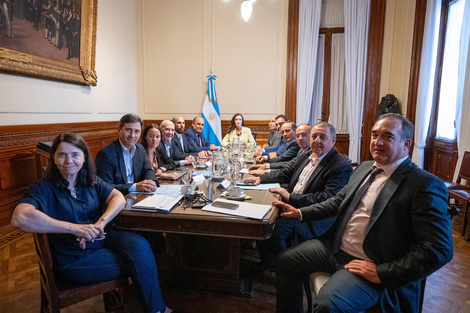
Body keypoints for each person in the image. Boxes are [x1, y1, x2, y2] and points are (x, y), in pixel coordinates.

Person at [275, 113, 453, 313]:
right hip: (335, 249)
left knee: (328, 304)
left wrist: (382, 272)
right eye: (375, 135)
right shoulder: (365, 167)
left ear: (406, 144)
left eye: (388, 136)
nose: (378, 142)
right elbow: (338, 201)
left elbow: (439, 249)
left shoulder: (423, 185)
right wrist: (300, 212)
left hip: (367, 263)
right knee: (285, 261)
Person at [10, 133, 172, 313]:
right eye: (62, 154)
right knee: (139, 261)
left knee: (141, 245)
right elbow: (19, 217)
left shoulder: (89, 180)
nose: (68, 160)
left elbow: (117, 197)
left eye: (75, 154)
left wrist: (101, 223)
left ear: (84, 157)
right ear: (53, 158)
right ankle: (156, 309)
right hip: (74, 257)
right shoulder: (44, 187)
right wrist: (74, 228)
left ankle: (149, 304)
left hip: (99, 238)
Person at [244, 122, 353, 271]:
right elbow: (287, 172)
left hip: (313, 216)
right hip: (293, 204)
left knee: (271, 229)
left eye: (323, 137)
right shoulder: (307, 154)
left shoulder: (339, 166)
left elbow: (326, 198)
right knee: (260, 215)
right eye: (314, 136)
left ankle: (280, 268)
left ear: (333, 141)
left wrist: (290, 197)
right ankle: (267, 261)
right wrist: (261, 179)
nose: (317, 140)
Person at [95, 114, 157, 196]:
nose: (132, 135)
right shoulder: (106, 154)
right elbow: (104, 187)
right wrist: (134, 187)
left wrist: (151, 182)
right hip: (116, 200)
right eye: (128, 130)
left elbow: (148, 171)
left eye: (137, 131)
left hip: (138, 197)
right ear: (119, 130)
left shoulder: (140, 149)